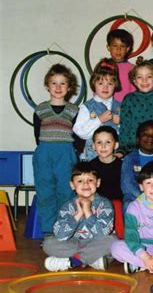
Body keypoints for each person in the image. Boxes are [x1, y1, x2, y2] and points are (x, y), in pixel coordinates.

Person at [43, 162, 116, 272]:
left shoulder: (105, 204)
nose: (86, 184)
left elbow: (102, 234)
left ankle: (73, 261)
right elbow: (60, 236)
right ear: (72, 185)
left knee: (112, 241)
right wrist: (78, 215)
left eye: (90, 180)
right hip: (73, 243)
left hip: (96, 242)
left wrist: (88, 212)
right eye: (80, 181)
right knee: (48, 243)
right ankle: (92, 259)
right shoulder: (67, 206)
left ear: (98, 182)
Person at [33, 64, 79, 234]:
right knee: (45, 193)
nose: (58, 87)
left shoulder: (74, 111)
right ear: (47, 85)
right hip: (44, 152)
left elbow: (78, 136)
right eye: (54, 83)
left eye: (63, 83)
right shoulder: (40, 109)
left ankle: (63, 230)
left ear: (69, 87)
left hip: (66, 153)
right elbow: (37, 135)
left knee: (66, 192)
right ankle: (48, 232)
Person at [118, 60, 153, 156]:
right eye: (140, 77)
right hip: (133, 150)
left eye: (149, 77)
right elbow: (124, 126)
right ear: (134, 81)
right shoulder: (129, 99)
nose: (144, 81)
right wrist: (123, 149)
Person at [73, 58, 121, 161]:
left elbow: (127, 133)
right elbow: (79, 131)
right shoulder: (87, 107)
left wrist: (122, 123)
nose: (105, 87)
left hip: (115, 158)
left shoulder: (121, 107)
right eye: (100, 83)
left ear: (115, 85)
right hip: (92, 158)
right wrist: (99, 120)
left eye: (110, 84)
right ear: (94, 84)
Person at [121, 121, 153, 211]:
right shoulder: (129, 159)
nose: (150, 138)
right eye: (145, 134)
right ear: (137, 139)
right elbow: (127, 185)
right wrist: (145, 199)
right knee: (128, 205)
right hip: (135, 197)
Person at [89, 126, 123, 202]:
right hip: (96, 205)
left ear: (116, 145)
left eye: (108, 142)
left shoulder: (123, 166)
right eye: (99, 142)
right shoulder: (89, 167)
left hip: (117, 204)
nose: (103, 146)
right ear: (94, 146)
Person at [106, 29, 135, 102]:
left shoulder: (133, 68)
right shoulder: (103, 66)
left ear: (127, 49)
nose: (118, 49)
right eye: (115, 45)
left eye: (122, 46)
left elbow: (135, 91)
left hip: (126, 106)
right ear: (108, 47)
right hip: (106, 105)